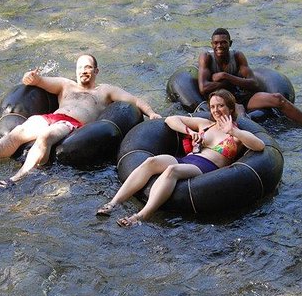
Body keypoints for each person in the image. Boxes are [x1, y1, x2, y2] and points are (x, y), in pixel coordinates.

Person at [0, 54, 162, 186]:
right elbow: (36, 81)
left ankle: (14, 179)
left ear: (96, 71)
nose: (84, 70)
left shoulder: (105, 91)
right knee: (18, 132)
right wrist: (30, 77)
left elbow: (134, 100)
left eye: (89, 67)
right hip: (51, 116)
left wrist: (151, 113)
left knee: (46, 137)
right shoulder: (65, 85)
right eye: (80, 67)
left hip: (73, 125)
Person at [96, 89, 265, 227]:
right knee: (151, 162)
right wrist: (190, 133)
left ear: (230, 108)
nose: (215, 110)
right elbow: (171, 119)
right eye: (213, 106)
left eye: (220, 106)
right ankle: (113, 203)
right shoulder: (205, 124)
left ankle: (141, 216)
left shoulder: (237, 134)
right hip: (189, 158)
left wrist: (233, 131)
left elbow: (259, 146)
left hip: (207, 167)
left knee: (172, 170)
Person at [198, 28, 302, 128]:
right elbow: (203, 88)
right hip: (223, 101)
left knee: (278, 98)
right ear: (212, 44)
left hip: (241, 96)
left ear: (230, 43)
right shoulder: (206, 57)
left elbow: (254, 83)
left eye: (223, 42)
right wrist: (232, 83)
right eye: (216, 43)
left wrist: (226, 76)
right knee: (240, 113)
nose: (219, 46)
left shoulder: (238, 56)